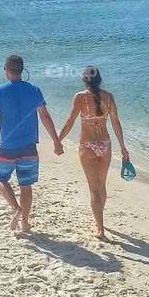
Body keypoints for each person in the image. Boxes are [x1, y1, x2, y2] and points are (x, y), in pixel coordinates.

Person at [0, 55, 63, 232]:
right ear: (22, 70)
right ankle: (25, 223)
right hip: (29, 147)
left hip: (8, 147)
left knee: (0, 177)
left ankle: (15, 208)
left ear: (6, 70)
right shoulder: (34, 90)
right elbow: (45, 116)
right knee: (26, 185)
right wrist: (56, 140)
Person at [57, 66, 129, 239]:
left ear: (84, 80)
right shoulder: (109, 97)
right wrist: (123, 147)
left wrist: (57, 140)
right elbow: (116, 123)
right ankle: (99, 219)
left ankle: (100, 229)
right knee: (101, 186)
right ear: (100, 79)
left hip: (87, 145)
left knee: (93, 189)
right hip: (105, 143)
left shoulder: (80, 97)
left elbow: (69, 122)